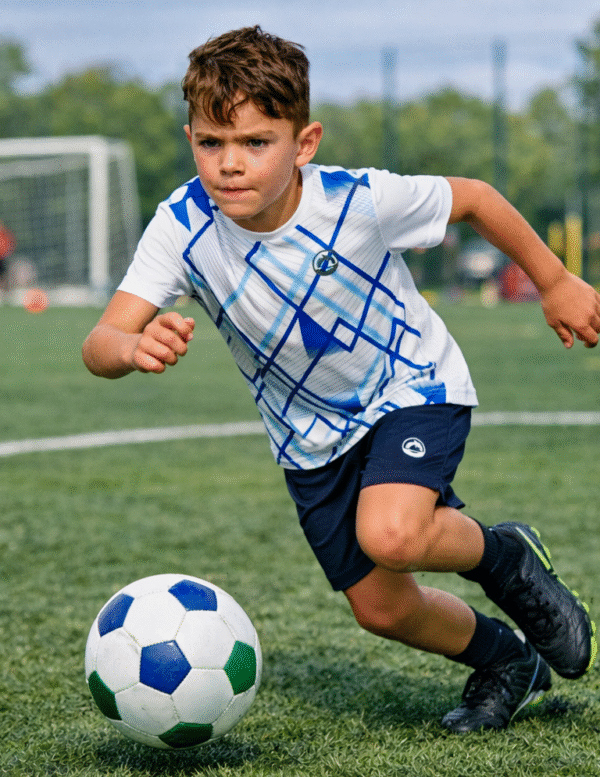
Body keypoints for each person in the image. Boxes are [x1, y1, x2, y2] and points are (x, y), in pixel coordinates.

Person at [82, 26, 600, 733]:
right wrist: (131, 345)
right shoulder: (181, 225)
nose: (230, 165)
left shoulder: (357, 202)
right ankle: (510, 661)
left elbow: (476, 198)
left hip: (411, 386)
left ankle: (503, 554)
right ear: (191, 138)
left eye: (256, 143)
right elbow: (101, 340)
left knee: (392, 534)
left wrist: (556, 280)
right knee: (382, 608)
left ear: (304, 143)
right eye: (211, 143)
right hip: (308, 440)